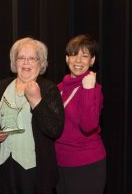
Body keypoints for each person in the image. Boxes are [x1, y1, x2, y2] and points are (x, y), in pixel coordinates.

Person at [0, 37, 64, 194]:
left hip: (33, 170)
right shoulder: (1, 87)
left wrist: (37, 101)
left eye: (32, 58)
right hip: (3, 167)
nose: (26, 63)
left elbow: (55, 130)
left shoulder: (49, 89)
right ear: (15, 62)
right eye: (21, 58)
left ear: (40, 63)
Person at [55, 35, 106, 194]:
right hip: (59, 162)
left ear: (92, 61)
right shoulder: (58, 89)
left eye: (85, 56)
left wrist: (88, 90)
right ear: (67, 58)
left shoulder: (93, 89)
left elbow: (88, 126)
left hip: (86, 163)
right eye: (74, 54)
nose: (78, 60)